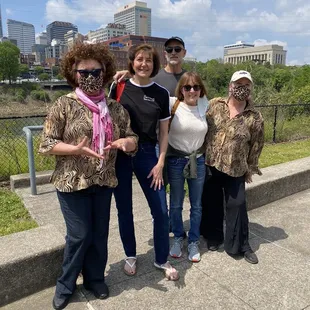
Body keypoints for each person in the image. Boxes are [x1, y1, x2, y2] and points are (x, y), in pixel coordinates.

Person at [39, 43, 138, 310]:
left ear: (105, 72)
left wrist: (128, 144)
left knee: (99, 233)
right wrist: (74, 149)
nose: (91, 75)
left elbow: (131, 137)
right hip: (71, 181)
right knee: (80, 234)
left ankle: (95, 279)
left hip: (104, 180)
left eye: (96, 70)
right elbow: (46, 144)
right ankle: (66, 284)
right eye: (84, 72)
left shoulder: (115, 108)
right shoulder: (63, 104)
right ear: (74, 74)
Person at [109, 43, 179, 281]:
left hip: (148, 153)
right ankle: (130, 254)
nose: (143, 64)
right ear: (132, 62)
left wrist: (160, 162)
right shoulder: (118, 87)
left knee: (160, 209)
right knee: (124, 208)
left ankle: (161, 258)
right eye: (139, 59)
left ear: (154, 64)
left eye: (148, 60)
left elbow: (164, 133)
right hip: (120, 154)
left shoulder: (160, 93)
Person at [200, 70, 264, 264]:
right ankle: (214, 236)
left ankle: (240, 245)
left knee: (237, 205)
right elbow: (201, 126)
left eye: (246, 85)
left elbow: (257, 145)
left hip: (236, 168)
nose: (241, 88)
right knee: (211, 202)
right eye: (238, 84)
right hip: (211, 164)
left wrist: (250, 168)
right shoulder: (214, 105)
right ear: (230, 86)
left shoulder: (255, 116)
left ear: (250, 88)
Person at [167, 72, 208, 262]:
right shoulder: (173, 104)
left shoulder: (205, 105)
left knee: (196, 205)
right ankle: (177, 237)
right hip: (176, 160)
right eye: (187, 87)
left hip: (197, 160)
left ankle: (193, 241)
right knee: (175, 204)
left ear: (201, 90)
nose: (192, 90)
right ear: (181, 89)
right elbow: (147, 91)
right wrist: (127, 75)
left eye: (196, 87)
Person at [113, 36, 187, 95]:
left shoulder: (190, 79)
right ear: (165, 54)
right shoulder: (153, 77)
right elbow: (139, 79)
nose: (173, 52)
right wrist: (130, 73)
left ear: (184, 53)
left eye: (177, 49)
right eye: (169, 49)